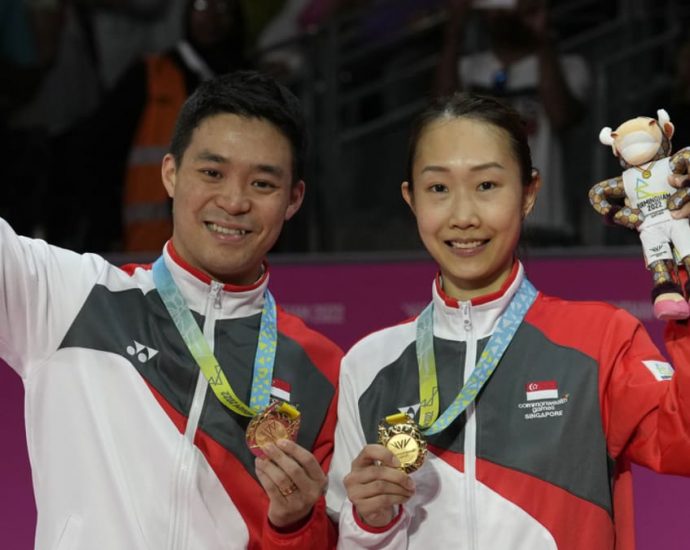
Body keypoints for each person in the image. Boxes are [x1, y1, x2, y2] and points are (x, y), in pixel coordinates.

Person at [326, 92, 690, 548]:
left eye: (487, 186)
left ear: (529, 193)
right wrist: (372, 523)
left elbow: (682, 443)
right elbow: (349, 532)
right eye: (438, 188)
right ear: (411, 198)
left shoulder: (600, 340)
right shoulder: (367, 365)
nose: (463, 216)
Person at [0, 70, 341, 549]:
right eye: (212, 173)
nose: (234, 200)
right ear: (170, 173)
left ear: (293, 199)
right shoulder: (70, 298)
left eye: (263, 183)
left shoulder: (323, 371)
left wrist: (294, 524)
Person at [435, 0, 590, 245]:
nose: (503, 13)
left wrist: (542, 37)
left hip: (548, 222)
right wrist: (454, 31)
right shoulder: (468, 68)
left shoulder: (570, 68)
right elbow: (441, 117)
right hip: (480, 222)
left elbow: (561, 116)